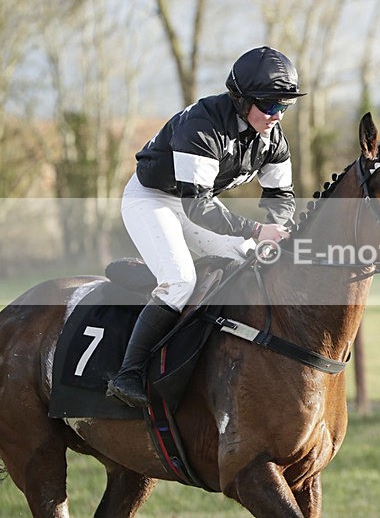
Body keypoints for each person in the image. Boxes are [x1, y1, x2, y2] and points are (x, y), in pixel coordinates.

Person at [107, 46, 306, 407]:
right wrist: (258, 231)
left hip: (192, 202)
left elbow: (281, 195)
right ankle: (128, 372)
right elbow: (197, 207)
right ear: (241, 99)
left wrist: (275, 230)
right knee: (181, 280)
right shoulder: (203, 126)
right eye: (271, 105)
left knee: (250, 259)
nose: (277, 115)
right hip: (151, 199)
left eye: (285, 106)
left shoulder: (273, 138)